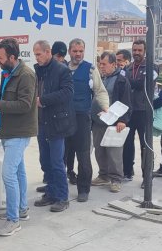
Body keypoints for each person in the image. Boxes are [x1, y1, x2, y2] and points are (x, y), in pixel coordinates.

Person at [0, 38, 37, 236]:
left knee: (8, 174)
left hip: (19, 132)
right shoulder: (7, 73)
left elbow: (24, 105)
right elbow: (4, 98)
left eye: (1, 57)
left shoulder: (26, 75)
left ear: (12, 57)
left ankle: (14, 220)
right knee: (19, 172)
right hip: (8, 130)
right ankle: (21, 210)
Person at [32, 40, 75, 212]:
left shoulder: (62, 70)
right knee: (45, 160)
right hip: (41, 122)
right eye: (35, 54)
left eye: (39, 54)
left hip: (57, 122)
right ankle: (50, 192)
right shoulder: (37, 70)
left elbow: (67, 92)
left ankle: (62, 198)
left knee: (57, 162)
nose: (37, 57)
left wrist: (43, 100)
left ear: (48, 52)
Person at [65, 38, 108, 202]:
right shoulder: (63, 68)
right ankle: (61, 184)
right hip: (64, 118)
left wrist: (105, 107)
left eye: (81, 51)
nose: (78, 54)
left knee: (83, 155)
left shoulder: (90, 69)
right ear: (70, 51)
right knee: (62, 154)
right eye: (75, 51)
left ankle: (84, 189)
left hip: (82, 118)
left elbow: (100, 91)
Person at [91, 52, 130, 193]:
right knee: (99, 151)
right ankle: (103, 175)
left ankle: (116, 179)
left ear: (113, 64)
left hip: (114, 123)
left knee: (114, 153)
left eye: (104, 64)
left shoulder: (121, 80)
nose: (101, 67)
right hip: (98, 122)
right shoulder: (98, 78)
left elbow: (126, 101)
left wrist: (123, 120)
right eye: (100, 64)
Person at [122, 39, 156, 182]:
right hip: (129, 111)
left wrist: (129, 83)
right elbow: (123, 84)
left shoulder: (152, 67)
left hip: (143, 111)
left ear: (145, 51)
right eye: (134, 50)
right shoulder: (128, 68)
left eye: (139, 50)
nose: (136, 53)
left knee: (145, 145)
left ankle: (146, 177)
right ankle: (127, 172)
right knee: (127, 143)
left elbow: (144, 84)